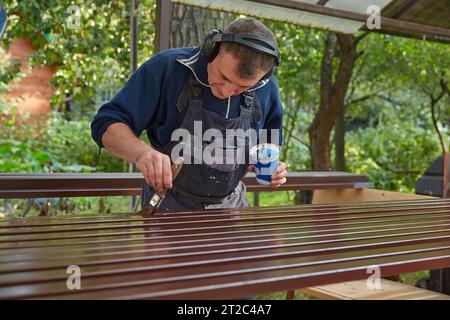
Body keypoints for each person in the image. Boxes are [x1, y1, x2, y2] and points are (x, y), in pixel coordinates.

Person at [91, 17, 288, 211]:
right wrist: (142, 153)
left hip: (231, 207)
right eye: (223, 77)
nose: (226, 91)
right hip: (168, 203)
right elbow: (106, 124)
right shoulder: (167, 68)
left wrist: (269, 167)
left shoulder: (267, 88)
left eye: (242, 88)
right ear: (212, 50)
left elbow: (267, 144)